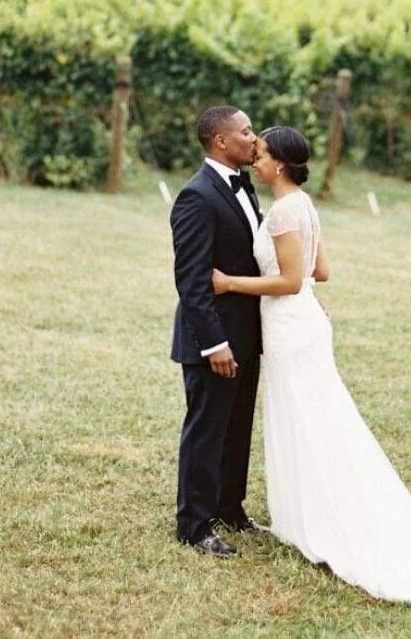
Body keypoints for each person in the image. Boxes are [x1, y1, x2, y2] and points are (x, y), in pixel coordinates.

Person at [213, 126, 411, 603]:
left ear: (278, 164)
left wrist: (229, 283)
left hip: (291, 330)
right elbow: (322, 273)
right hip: (303, 327)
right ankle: (308, 512)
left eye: (258, 155)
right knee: (315, 419)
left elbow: (294, 280)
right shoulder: (304, 205)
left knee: (306, 421)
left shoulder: (282, 213)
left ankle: (322, 517)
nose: (253, 161)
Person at [169, 106, 264, 556]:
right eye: (246, 131)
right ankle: (193, 524)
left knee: (237, 425)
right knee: (207, 429)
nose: (254, 137)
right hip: (214, 340)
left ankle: (230, 506)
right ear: (221, 142)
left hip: (248, 334)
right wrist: (215, 343)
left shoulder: (244, 188)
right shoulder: (197, 196)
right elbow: (192, 280)